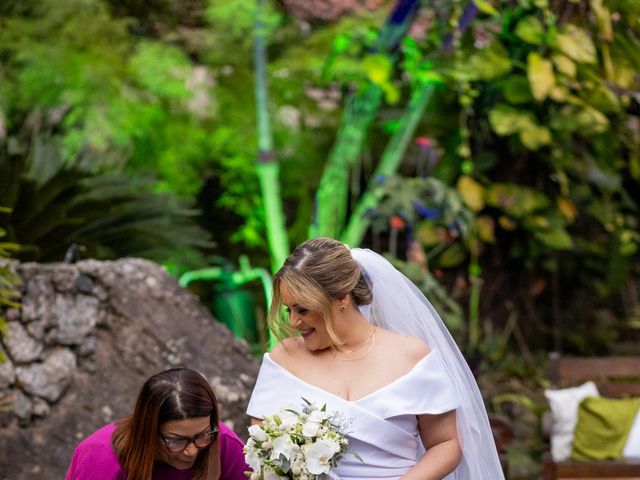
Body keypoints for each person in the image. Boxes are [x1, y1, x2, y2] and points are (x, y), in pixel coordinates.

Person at [247, 237, 505, 479]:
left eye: (303, 308)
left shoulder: (411, 357)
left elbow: (446, 443)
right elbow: (263, 446)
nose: (293, 321)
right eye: (288, 309)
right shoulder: (284, 358)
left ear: (341, 299)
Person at [66, 368, 249, 480]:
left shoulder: (222, 441)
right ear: (147, 431)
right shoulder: (100, 458)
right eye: (176, 440)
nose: (192, 451)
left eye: (202, 435)